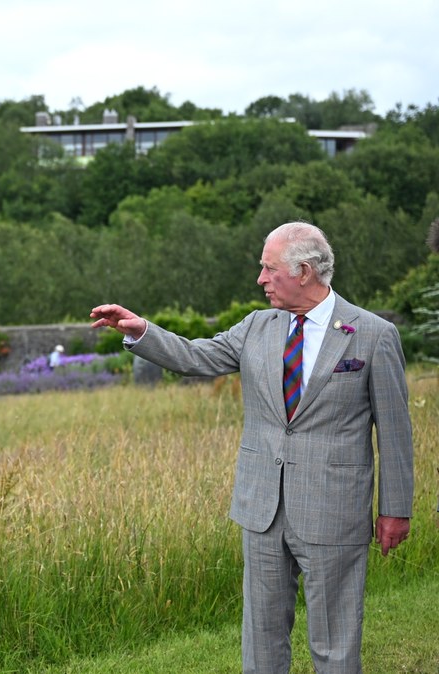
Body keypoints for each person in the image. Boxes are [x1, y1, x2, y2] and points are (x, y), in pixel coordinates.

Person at [90, 221, 413, 673]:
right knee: (260, 641)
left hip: (333, 510)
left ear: (304, 271)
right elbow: (197, 357)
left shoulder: (373, 335)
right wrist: (142, 330)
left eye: (268, 269)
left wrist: (395, 509)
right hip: (261, 509)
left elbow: (396, 430)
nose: (260, 279)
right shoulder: (257, 326)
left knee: (335, 643)